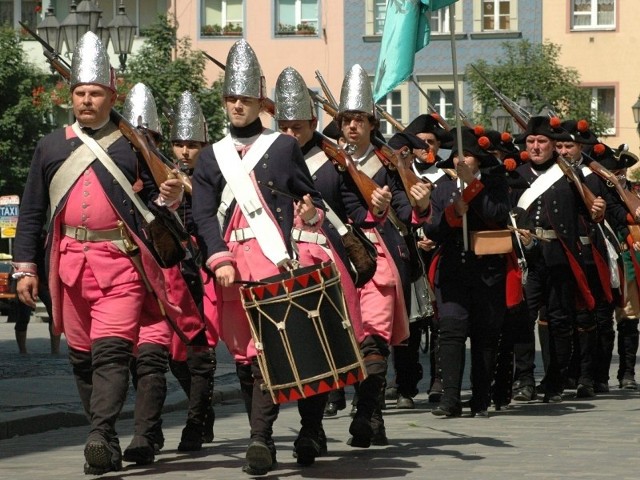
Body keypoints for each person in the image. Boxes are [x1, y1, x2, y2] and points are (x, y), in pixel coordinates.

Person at [12, 32, 200, 475]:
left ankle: (98, 434)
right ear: (71, 97)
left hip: (123, 264)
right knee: (81, 356)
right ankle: (108, 437)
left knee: (112, 353)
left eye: (95, 93)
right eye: (79, 93)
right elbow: (33, 210)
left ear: (111, 95)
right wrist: (25, 268)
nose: (86, 101)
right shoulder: (51, 145)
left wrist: (170, 195)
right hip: (69, 266)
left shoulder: (134, 144)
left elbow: (161, 201)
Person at [191, 40, 324, 476]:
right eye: (230, 98)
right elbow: (203, 214)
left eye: (244, 98)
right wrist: (218, 256)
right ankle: (260, 432)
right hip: (231, 266)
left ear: (259, 101)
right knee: (246, 358)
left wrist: (310, 211)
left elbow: (311, 196)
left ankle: (260, 439)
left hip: (273, 259)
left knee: (268, 351)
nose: (236, 105)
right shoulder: (211, 156)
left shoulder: (282, 148)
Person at [274, 66, 390, 463]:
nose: (291, 133)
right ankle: (312, 429)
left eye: (299, 126)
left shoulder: (334, 162)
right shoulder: (268, 159)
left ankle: (354, 416)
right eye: (284, 126)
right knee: (309, 354)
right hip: (288, 263)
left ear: (312, 123)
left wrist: (376, 208)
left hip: (333, 262)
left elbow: (356, 210)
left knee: (353, 348)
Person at [336, 64, 431, 447]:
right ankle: (370, 416)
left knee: (374, 341)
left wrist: (420, 204)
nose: (352, 126)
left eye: (360, 119)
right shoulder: (328, 160)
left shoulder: (389, 162)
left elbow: (410, 212)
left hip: (380, 257)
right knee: (348, 342)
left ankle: (366, 413)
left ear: (372, 124)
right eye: (346, 120)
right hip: (339, 255)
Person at [509, 116, 605, 404]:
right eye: (531, 141)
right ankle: (524, 379)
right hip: (526, 257)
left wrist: (597, 207)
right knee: (522, 320)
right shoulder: (516, 175)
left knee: (561, 321)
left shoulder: (570, 176)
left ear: (552, 146)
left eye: (541, 142)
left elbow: (589, 214)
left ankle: (555, 380)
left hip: (560, 256)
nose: (536, 146)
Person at [424, 126, 511, 417]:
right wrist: (453, 213)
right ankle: (450, 398)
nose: (462, 160)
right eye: (458, 154)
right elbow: (432, 229)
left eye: (469, 155)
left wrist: (472, 186)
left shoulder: (495, 184)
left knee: (486, 336)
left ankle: (481, 398)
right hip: (453, 270)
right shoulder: (443, 189)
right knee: (451, 331)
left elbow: (496, 213)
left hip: (488, 270)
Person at [555, 120, 627, 397]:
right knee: (565, 317)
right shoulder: (550, 177)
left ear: (581, 147)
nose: (563, 150)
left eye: (568, 146)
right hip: (562, 253)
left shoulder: (595, 176)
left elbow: (615, 210)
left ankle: (595, 375)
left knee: (598, 316)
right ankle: (567, 374)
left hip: (592, 252)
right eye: (559, 145)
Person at [167, 91, 218, 452]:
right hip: (171, 273)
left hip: (204, 272)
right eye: (179, 144)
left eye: (193, 144)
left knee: (200, 353)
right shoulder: (162, 175)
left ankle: (195, 422)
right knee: (174, 359)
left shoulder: (213, 175)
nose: (185, 151)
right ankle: (203, 409)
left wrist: (191, 188)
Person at [587, 142, 640, 391]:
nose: (620, 176)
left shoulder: (633, 197)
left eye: (622, 172)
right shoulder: (595, 193)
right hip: (603, 258)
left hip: (626, 261)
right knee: (602, 318)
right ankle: (599, 375)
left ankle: (627, 372)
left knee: (629, 317)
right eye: (615, 172)